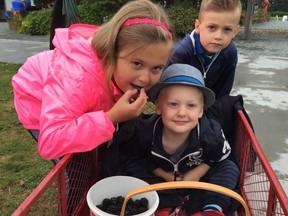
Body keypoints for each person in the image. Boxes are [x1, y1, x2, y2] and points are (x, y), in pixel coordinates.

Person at [11, 0, 174, 160]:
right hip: (36, 98)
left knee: (94, 147)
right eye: (137, 64)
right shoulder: (75, 80)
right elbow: (51, 143)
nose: (145, 79)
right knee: (73, 163)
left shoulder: (125, 67)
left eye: (156, 68)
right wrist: (111, 117)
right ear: (112, 53)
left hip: (83, 97)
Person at [106, 64, 240, 216]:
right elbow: (136, 158)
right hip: (161, 180)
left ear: (201, 111)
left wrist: (197, 172)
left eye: (191, 105)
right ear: (158, 107)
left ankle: (212, 209)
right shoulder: (144, 132)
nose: (182, 113)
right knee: (128, 169)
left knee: (229, 168)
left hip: (197, 177)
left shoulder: (210, 134)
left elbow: (219, 157)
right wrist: (164, 174)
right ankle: (167, 207)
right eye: (173, 104)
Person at [167, 0, 242, 98]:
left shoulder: (230, 52)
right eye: (212, 27)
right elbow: (168, 92)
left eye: (227, 29)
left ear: (235, 32)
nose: (218, 36)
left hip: (211, 106)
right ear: (198, 26)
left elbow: (224, 92)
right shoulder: (182, 53)